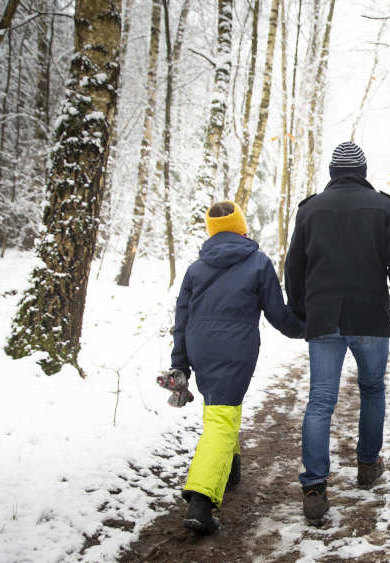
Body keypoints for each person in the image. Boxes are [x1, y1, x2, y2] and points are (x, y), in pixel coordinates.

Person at [285, 141, 390, 523]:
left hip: (325, 319)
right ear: (363, 172)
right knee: (372, 389)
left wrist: (300, 312)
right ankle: (367, 465)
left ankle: (314, 487)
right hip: (370, 318)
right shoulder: (383, 207)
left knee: (320, 400)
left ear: (332, 173)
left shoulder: (310, 209)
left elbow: (294, 267)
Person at [159, 200, 305, 534]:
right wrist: (307, 329)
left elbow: (182, 319)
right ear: (241, 227)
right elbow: (278, 314)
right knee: (222, 417)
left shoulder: (196, 269)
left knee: (218, 407)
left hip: (199, 346)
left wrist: (180, 363)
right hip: (236, 348)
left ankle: (230, 468)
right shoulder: (258, 262)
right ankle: (200, 501)